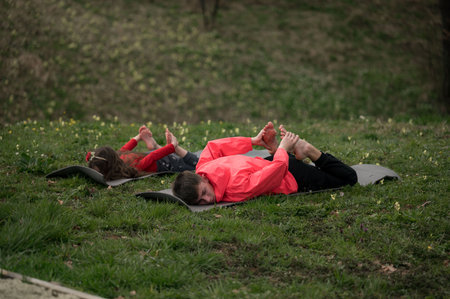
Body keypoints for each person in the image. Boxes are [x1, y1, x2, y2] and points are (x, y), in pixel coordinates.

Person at [172, 122, 357, 205]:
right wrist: (257, 143)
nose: (208, 199)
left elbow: (276, 173)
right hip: (269, 164)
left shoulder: (235, 188)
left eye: (204, 193)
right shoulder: (203, 167)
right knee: (281, 160)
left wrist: (259, 143)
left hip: (290, 175)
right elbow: (213, 147)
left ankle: (308, 150)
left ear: (202, 178)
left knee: (349, 178)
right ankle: (281, 151)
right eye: (201, 201)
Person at [86, 125, 198, 180]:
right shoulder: (125, 161)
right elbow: (152, 156)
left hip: (161, 160)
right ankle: (162, 147)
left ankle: (159, 147)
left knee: (171, 155)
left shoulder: (128, 166)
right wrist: (172, 146)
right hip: (163, 161)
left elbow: (152, 156)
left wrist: (171, 147)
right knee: (197, 163)